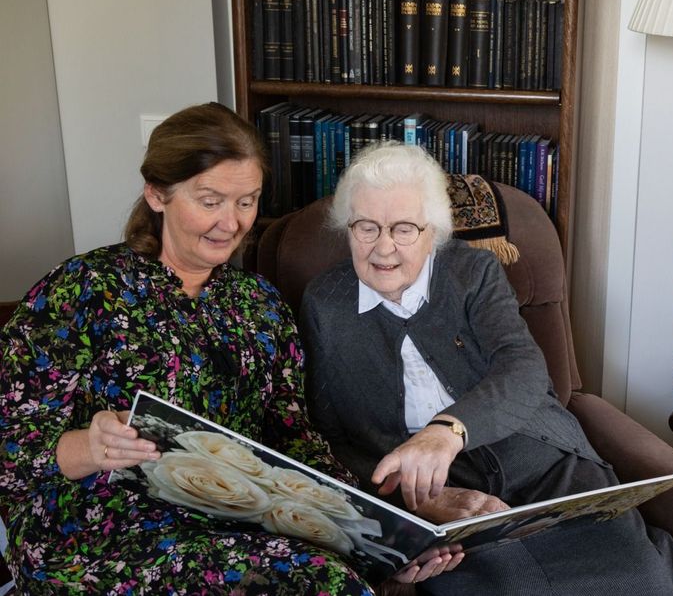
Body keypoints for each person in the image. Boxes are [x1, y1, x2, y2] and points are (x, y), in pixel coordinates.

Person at [0, 103, 459, 594]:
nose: (231, 222)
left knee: (337, 573)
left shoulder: (260, 305)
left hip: (233, 518)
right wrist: (87, 449)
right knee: (315, 583)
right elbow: (10, 446)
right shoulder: (82, 290)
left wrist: (378, 533)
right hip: (94, 525)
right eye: (211, 200)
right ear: (157, 194)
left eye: (247, 201)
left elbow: (293, 439)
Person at [301, 142, 673, 595]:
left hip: (539, 459)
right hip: (434, 495)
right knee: (502, 586)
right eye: (366, 227)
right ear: (346, 228)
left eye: (404, 228)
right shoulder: (325, 303)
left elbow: (524, 367)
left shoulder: (473, 273)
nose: (383, 247)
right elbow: (329, 435)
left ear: (433, 232)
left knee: (639, 576)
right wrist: (405, 500)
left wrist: (445, 432)